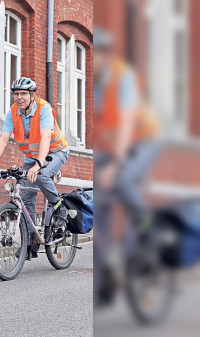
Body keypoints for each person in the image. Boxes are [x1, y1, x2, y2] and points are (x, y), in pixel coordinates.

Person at [93, 27, 161, 307]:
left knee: (120, 181)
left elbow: (123, 125)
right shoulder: (92, 85)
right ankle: (108, 270)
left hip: (142, 141)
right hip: (110, 147)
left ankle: (148, 230)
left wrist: (115, 165)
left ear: (106, 56)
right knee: (97, 205)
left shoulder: (123, 78)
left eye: (95, 55)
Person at [0, 77, 70, 257]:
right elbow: (3, 138)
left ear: (32, 95)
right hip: (32, 156)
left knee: (40, 176)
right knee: (27, 195)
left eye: (24, 93)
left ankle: (59, 207)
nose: (19, 97)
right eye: (16, 94)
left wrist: (38, 165)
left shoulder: (44, 108)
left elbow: (46, 137)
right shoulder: (13, 112)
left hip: (56, 152)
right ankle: (31, 242)